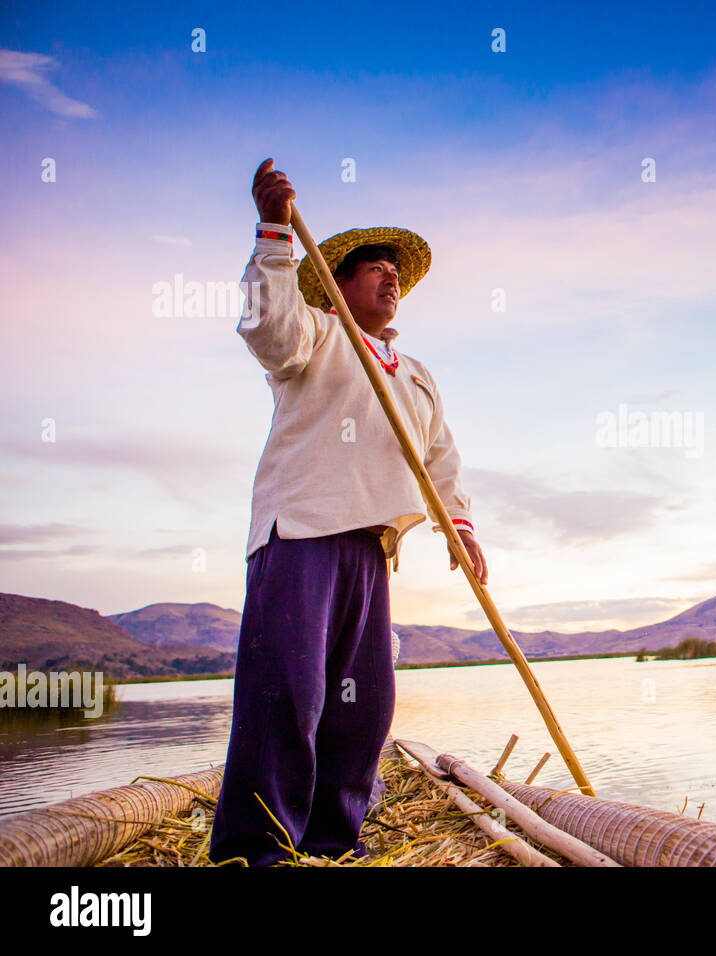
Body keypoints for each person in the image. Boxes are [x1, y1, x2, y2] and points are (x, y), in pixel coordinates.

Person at [209, 158, 487, 866]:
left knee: (363, 710)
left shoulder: (416, 373)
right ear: (340, 284)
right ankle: (257, 850)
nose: (390, 278)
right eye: (373, 268)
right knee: (288, 696)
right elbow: (267, 330)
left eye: (396, 272)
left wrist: (458, 525)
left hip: (371, 548)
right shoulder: (316, 332)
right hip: (302, 532)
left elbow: (438, 459)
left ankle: (334, 842)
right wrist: (275, 236)